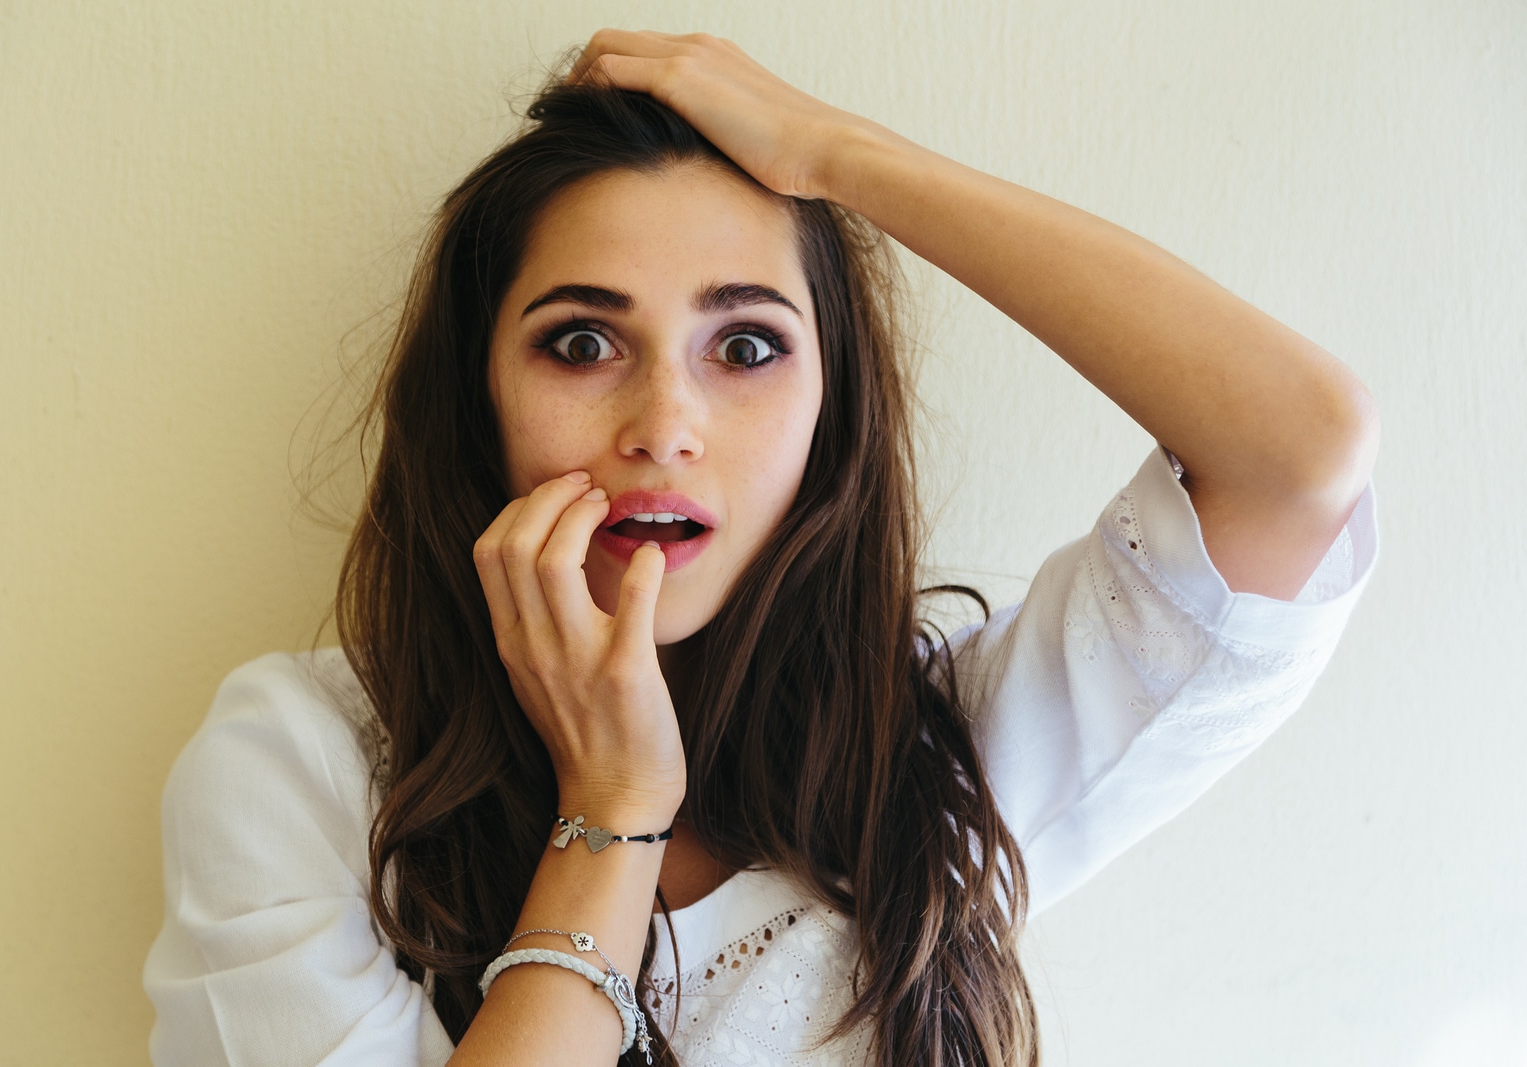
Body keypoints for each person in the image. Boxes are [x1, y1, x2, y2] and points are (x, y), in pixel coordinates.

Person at [143, 29, 1379, 1067]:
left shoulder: (945, 745)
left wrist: (834, 155)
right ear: (479, 395)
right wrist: (611, 811)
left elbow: (1298, 454)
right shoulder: (300, 762)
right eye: (580, 343)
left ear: (826, 410)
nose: (662, 429)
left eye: (744, 348)